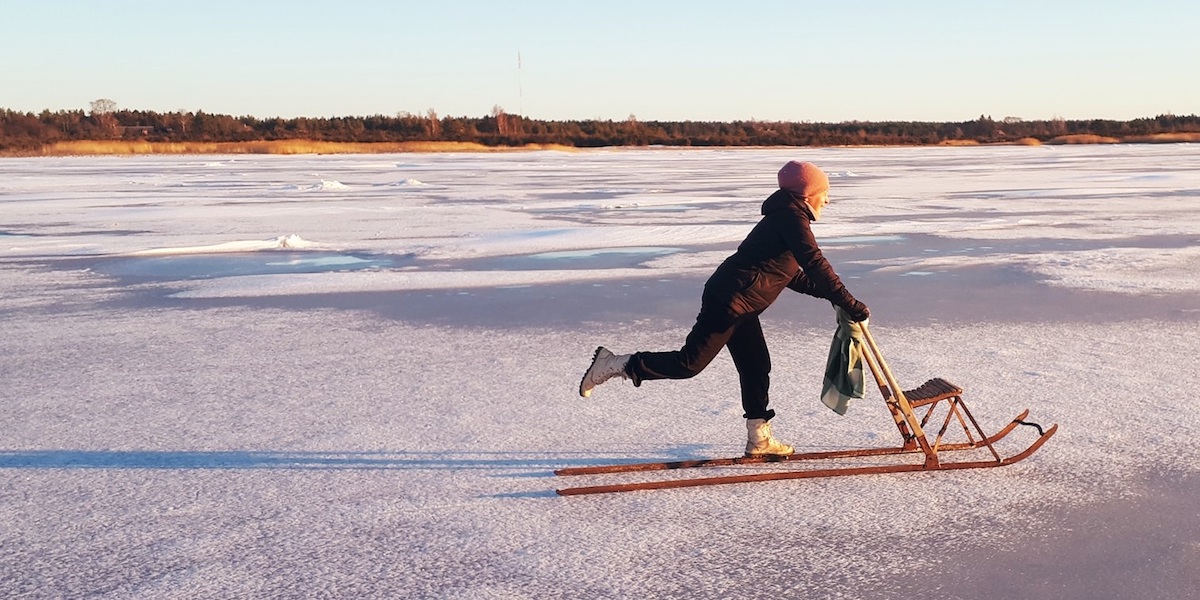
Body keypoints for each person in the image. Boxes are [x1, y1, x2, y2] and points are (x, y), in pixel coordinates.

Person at [578, 160, 870, 456]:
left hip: (742, 303)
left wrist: (835, 298)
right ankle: (614, 364)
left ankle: (759, 439)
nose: (828, 199)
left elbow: (789, 273)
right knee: (688, 364)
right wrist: (851, 304)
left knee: (756, 366)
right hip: (730, 300)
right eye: (825, 192)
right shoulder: (791, 218)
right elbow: (815, 264)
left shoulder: (788, 217)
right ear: (808, 193)